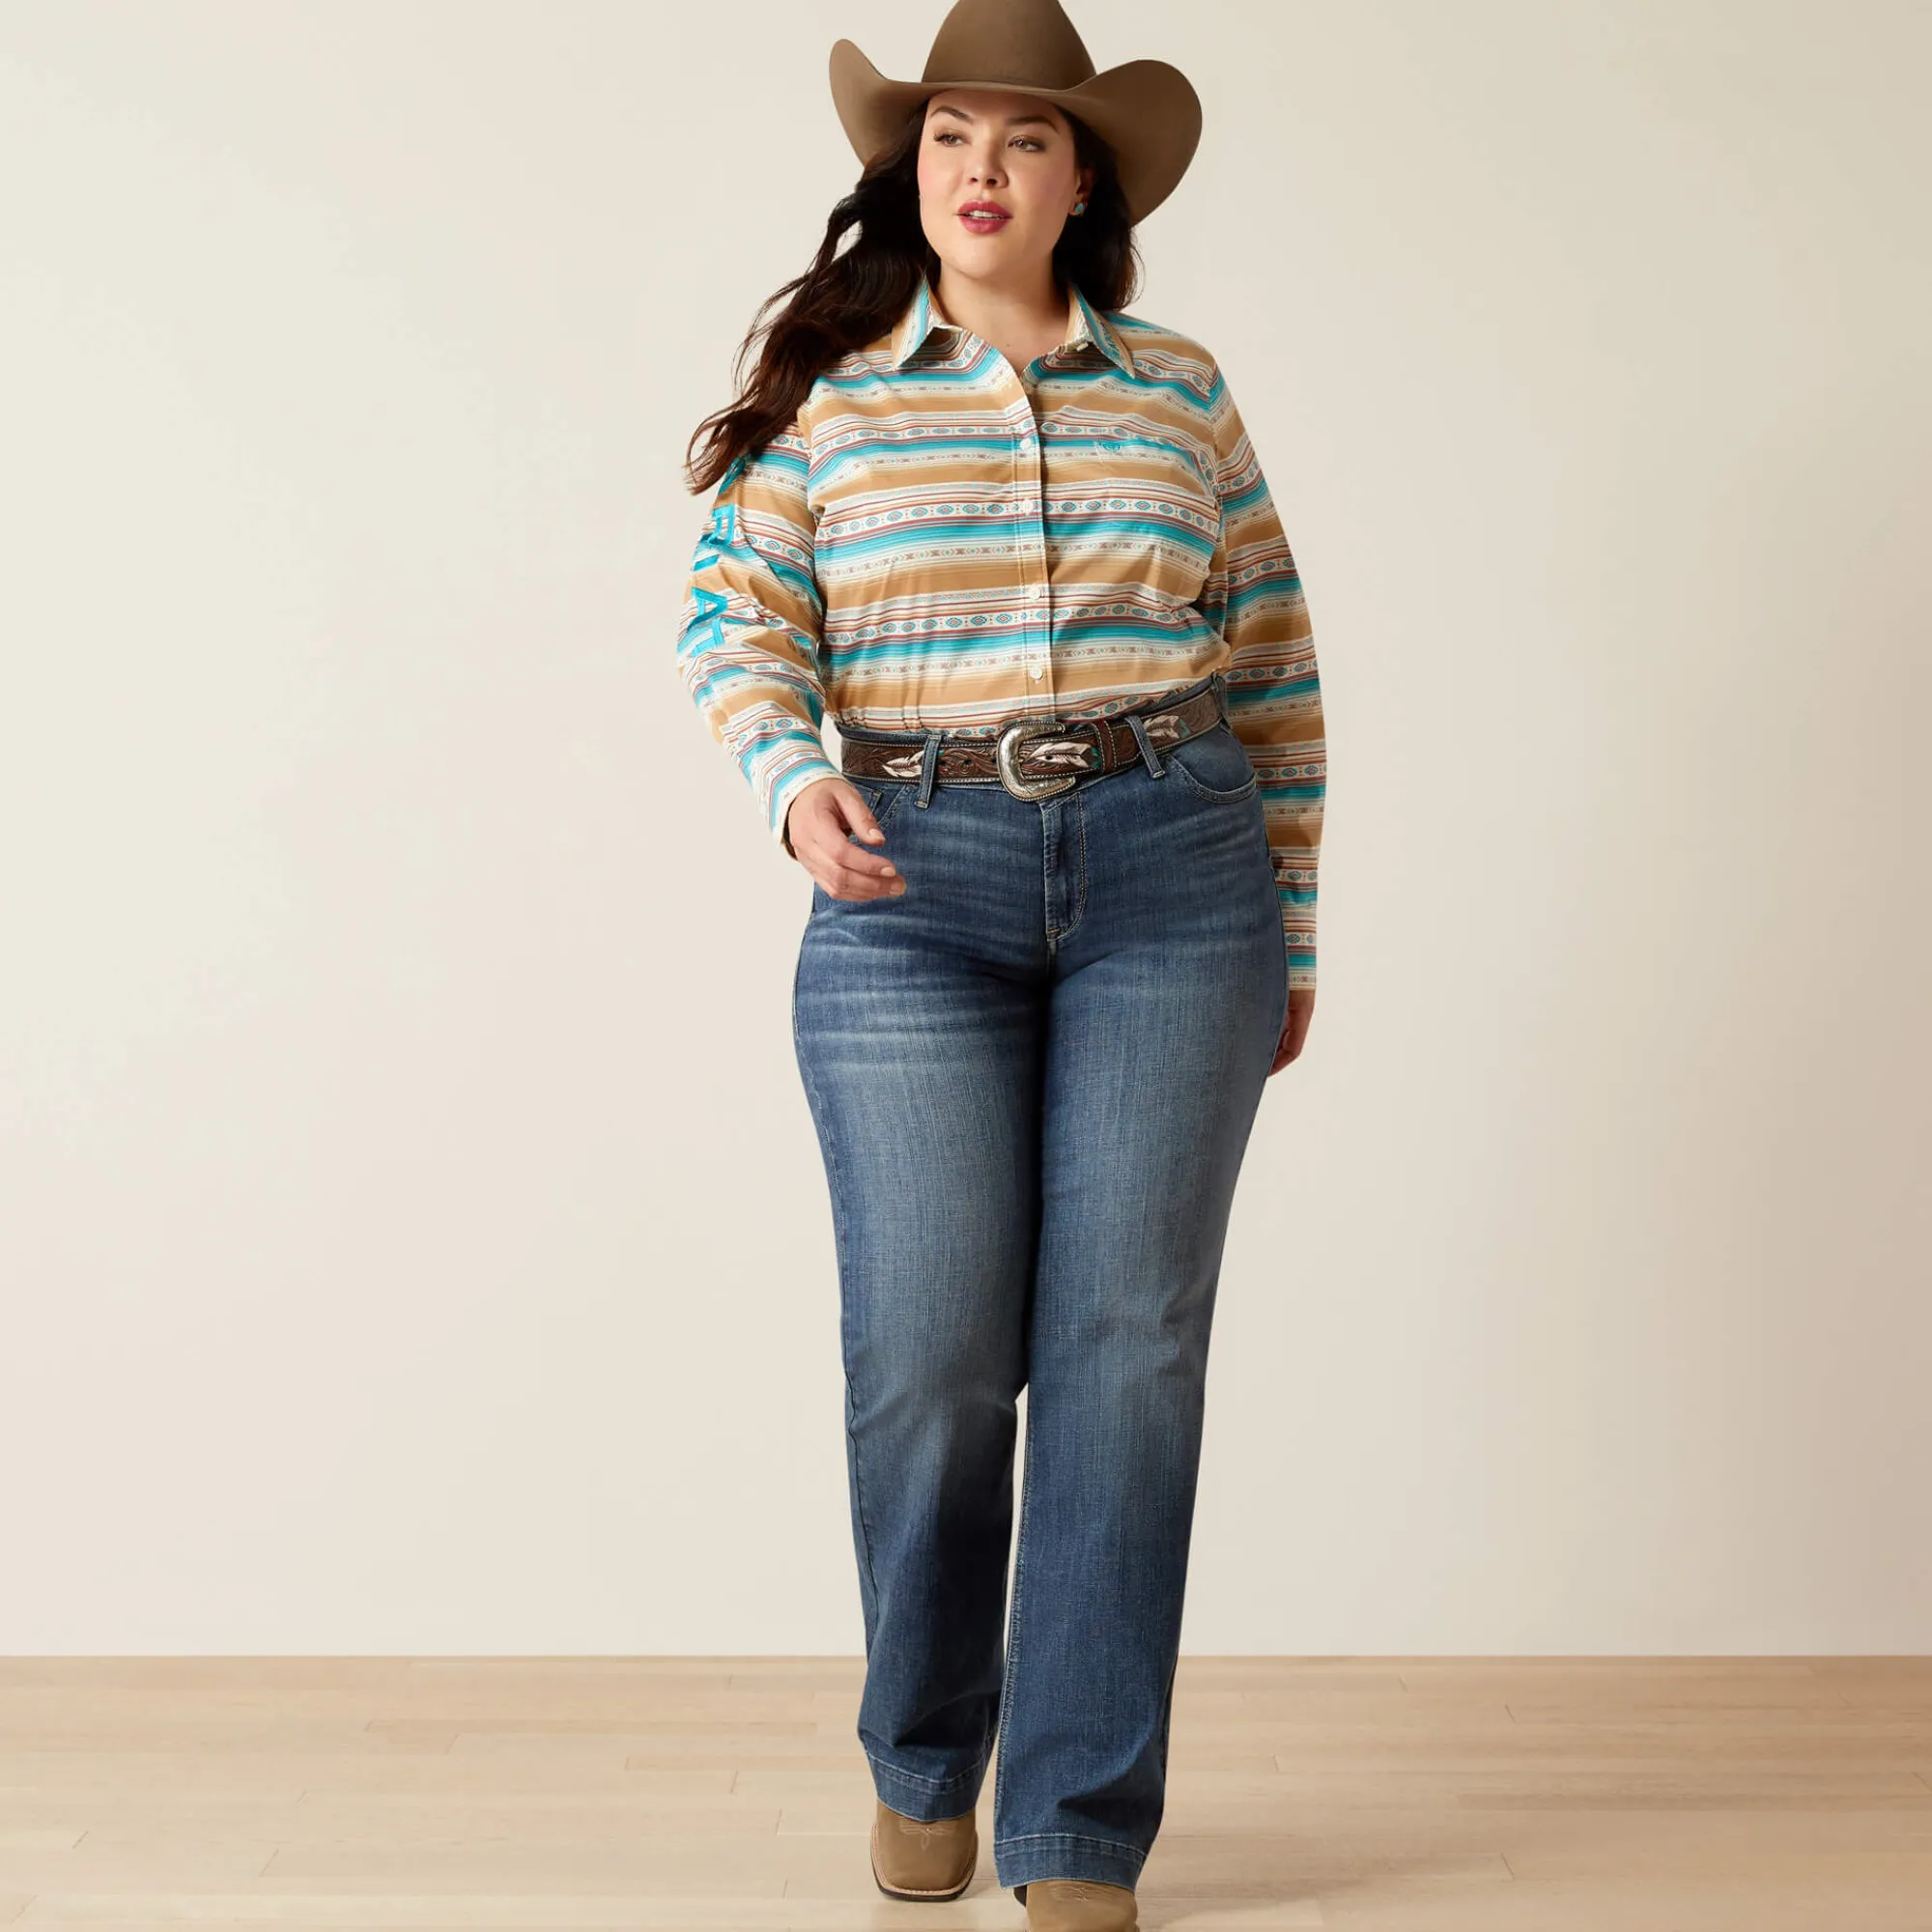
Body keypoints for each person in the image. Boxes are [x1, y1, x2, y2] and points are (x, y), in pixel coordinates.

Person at [674, 2, 1324, 1924]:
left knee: (1127, 1352)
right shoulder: (831, 394)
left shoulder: (1179, 391)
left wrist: (1290, 924)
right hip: (909, 890)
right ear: (910, 170)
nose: (983, 168)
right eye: (953, 133)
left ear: (1080, 181)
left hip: (1174, 881)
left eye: (1027, 140)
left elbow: (1271, 661)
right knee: (934, 1355)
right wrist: (789, 780)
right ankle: (923, 1756)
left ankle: (1076, 1825)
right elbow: (735, 618)